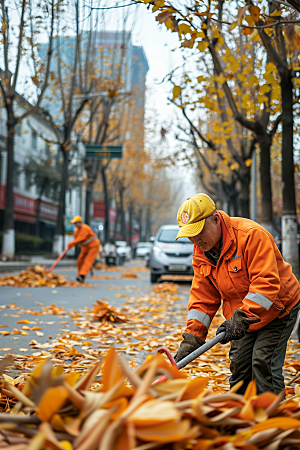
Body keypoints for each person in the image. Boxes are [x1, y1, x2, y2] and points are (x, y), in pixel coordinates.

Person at [174, 193, 300, 395]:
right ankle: (240, 413)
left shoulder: (250, 235)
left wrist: (243, 317)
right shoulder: (201, 252)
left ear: (215, 219)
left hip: (279, 307)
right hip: (240, 316)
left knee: (262, 362)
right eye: (190, 234)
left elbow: (266, 283)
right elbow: (203, 299)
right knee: (240, 366)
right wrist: (193, 337)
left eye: (198, 231)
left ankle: (273, 415)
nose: (195, 240)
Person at [67, 216, 100, 282]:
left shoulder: (85, 228)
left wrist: (71, 243)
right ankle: (80, 275)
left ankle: (82, 275)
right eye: (74, 223)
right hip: (85, 248)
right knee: (79, 260)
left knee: (88, 261)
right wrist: (71, 245)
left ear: (80, 222)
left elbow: (81, 238)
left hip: (93, 246)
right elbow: (77, 241)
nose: (75, 225)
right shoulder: (76, 231)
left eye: (76, 223)